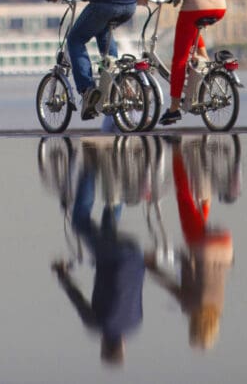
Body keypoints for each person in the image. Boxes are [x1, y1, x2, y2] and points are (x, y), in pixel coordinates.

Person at [52, 147, 145, 365]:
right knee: (79, 222)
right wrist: (62, 274)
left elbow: (127, 289)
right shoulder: (96, 325)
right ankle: (90, 167)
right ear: (103, 344)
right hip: (112, 257)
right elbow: (76, 297)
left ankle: (116, 175)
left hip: (135, 255)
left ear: (123, 345)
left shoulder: (135, 324)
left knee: (108, 230)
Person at [145, 137, 234, 350]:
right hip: (201, 247)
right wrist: (150, 266)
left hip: (225, 246)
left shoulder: (218, 305)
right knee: (184, 199)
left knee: (197, 223)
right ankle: (177, 150)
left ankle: (204, 191)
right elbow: (168, 284)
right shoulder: (190, 306)